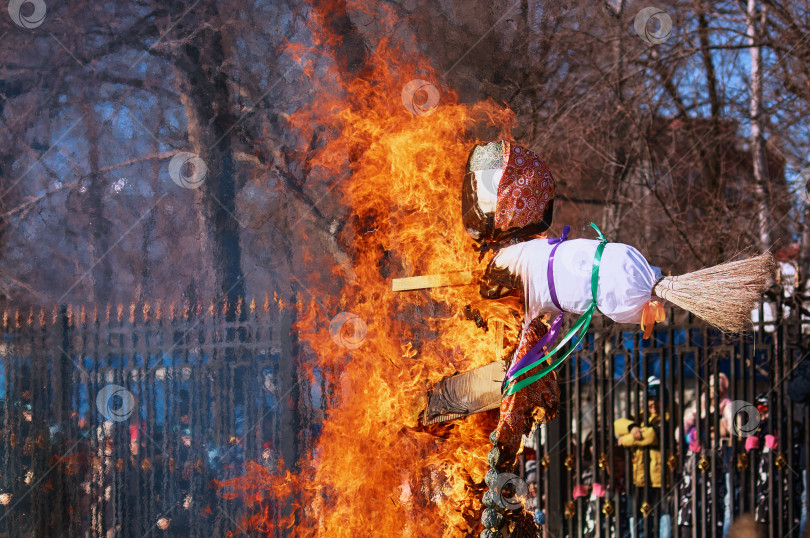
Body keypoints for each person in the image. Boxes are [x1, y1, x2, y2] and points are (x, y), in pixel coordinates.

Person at [615, 376, 669, 537]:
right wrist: (632, 427)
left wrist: (625, 439)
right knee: (636, 517)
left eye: (657, 399)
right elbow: (617, 424)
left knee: (662, 515)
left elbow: (652, 435)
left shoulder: (667, 416)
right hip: (638, 477)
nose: (653, 404)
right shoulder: (639, 417)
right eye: (650, 399)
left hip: (659, 478)